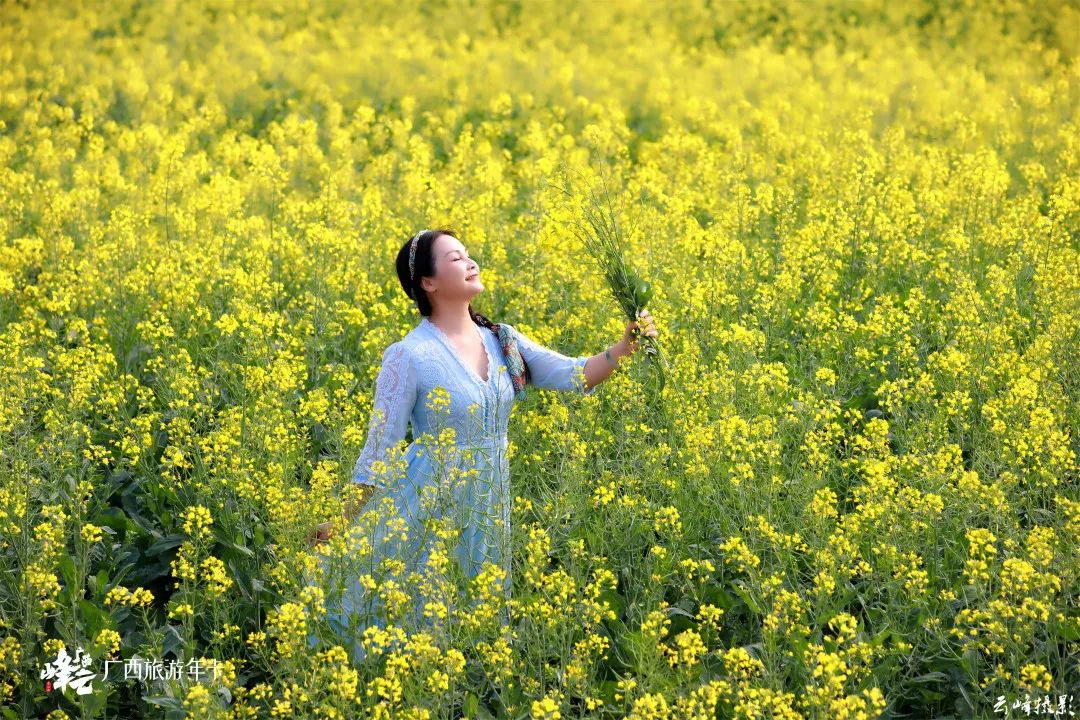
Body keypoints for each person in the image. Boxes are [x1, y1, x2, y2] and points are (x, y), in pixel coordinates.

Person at [306, 228, 657, 662]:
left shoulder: (501, 339)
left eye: (469, 254)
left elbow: (575, 374)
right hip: (430, 502)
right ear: (428, 283)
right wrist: (343, 522)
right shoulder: (409, 354)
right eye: (456, 258)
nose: (470, 262)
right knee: (424, 611)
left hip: (488, 498)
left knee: (479, 613)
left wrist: (626, 346)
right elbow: (380, 450)